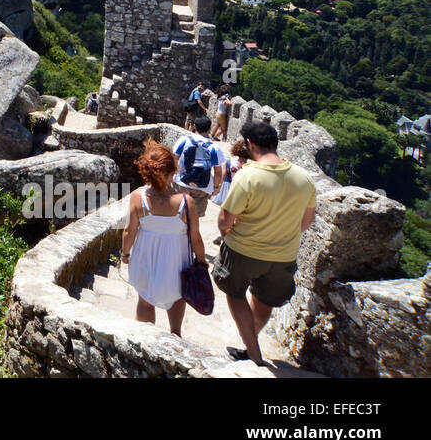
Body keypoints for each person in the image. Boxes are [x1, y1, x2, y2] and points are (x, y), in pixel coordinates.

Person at [213, 121, 317, 366]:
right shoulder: (304, 178)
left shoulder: (248, 175)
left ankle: (253, 353)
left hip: (243, 250)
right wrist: (282, 234)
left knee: (235, 293)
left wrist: (226, 233)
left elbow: (224, 219)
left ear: (249, 144)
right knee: (265, 300)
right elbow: (308, 219)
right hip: (283, 256)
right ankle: (250, 345)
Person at [121, 139, 207, 336]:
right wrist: (201, 261)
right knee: (177, 297)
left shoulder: (137, 197)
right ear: (173, 171)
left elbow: (129, 231)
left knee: (144, 298)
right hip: (176, 260)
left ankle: (143, 337)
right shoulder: (186, 202)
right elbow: (196, 239)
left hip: (145, 256)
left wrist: (125, 254)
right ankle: (175, 333)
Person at [172, 116, 225, 217]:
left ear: (194, 126)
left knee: (179, 211)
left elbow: (174, 159)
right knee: (195, 216)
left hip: (182, 182)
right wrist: (216, 186)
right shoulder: (214, 147)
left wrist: (172, 176)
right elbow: (218, 171)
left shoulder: (184, 140)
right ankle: (191, 231)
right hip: (202, 187)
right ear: (210, 129)